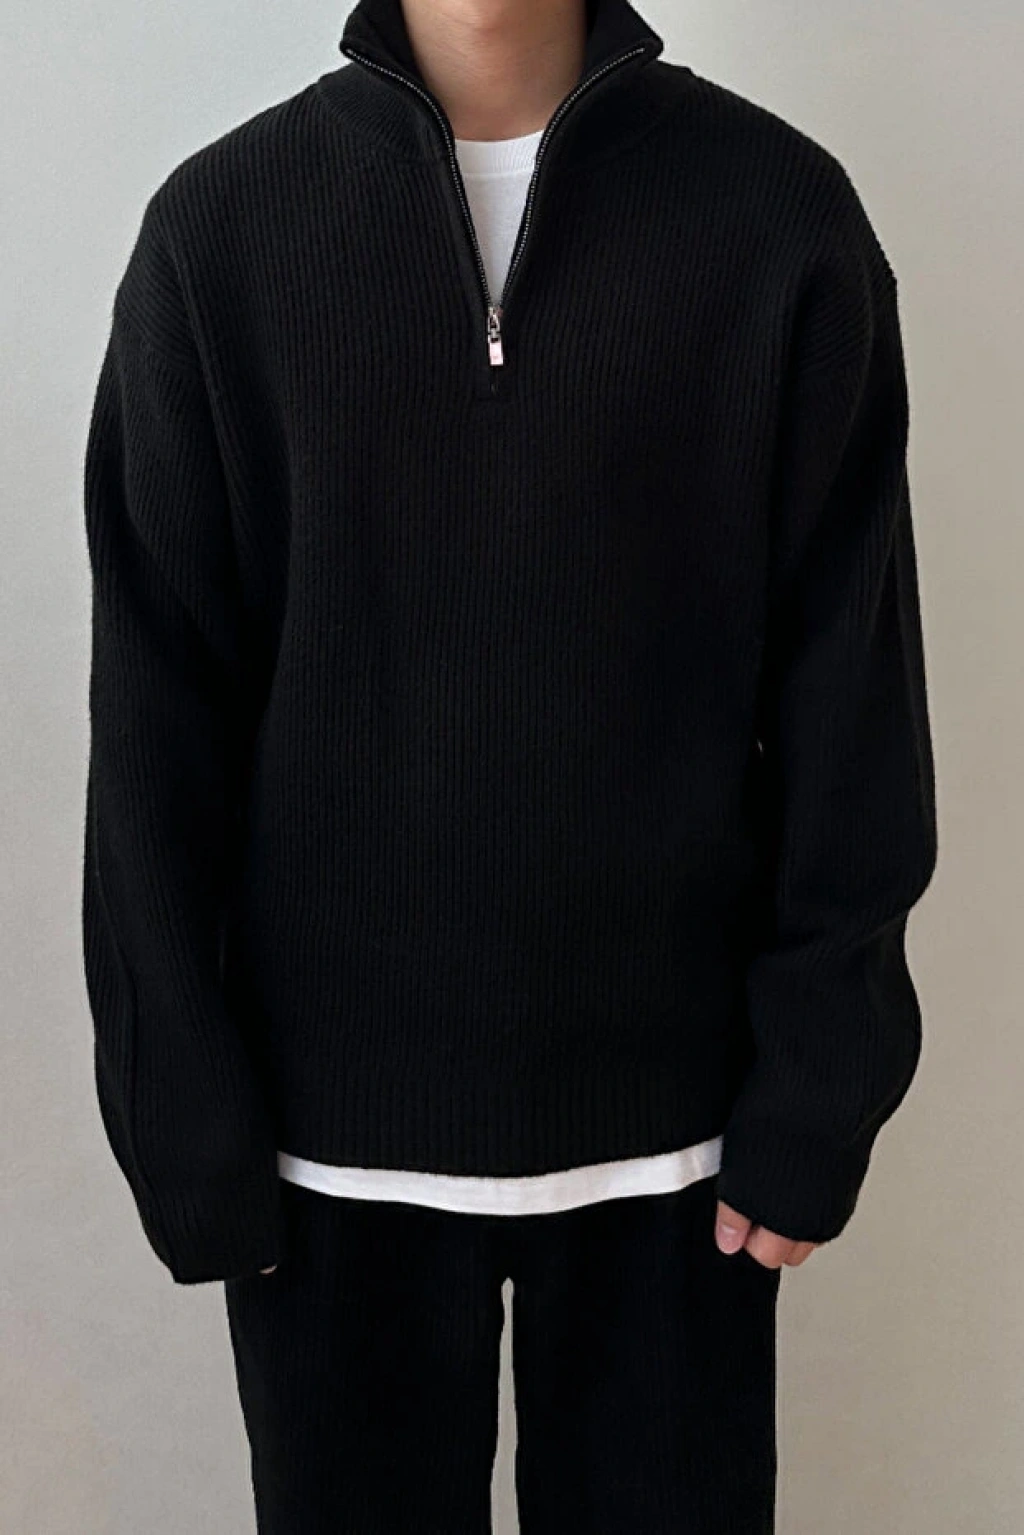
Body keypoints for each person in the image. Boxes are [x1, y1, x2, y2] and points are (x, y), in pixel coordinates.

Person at [80, 0, 938, 1527]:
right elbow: (158, 717)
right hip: (324, 1161)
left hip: (680, 1152)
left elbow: (850, 692)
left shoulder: (776, 219)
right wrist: (180, 1109)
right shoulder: (222, 233)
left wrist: (823, 1079)